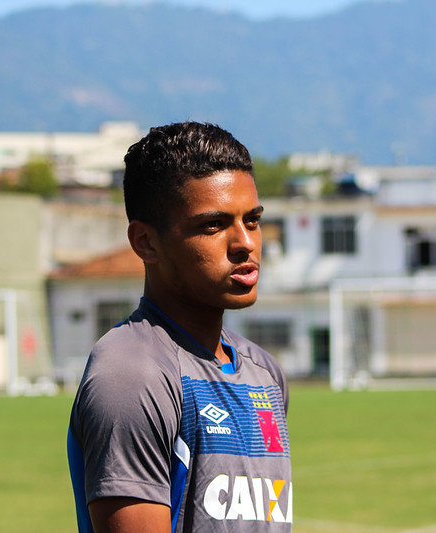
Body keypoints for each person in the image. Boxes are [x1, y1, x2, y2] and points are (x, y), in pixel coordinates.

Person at [67, 121, 292, 532]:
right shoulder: (132, 374)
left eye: (252, 220)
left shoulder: (264, 373)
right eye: (213, 224)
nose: (245, 243)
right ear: (146, 243)